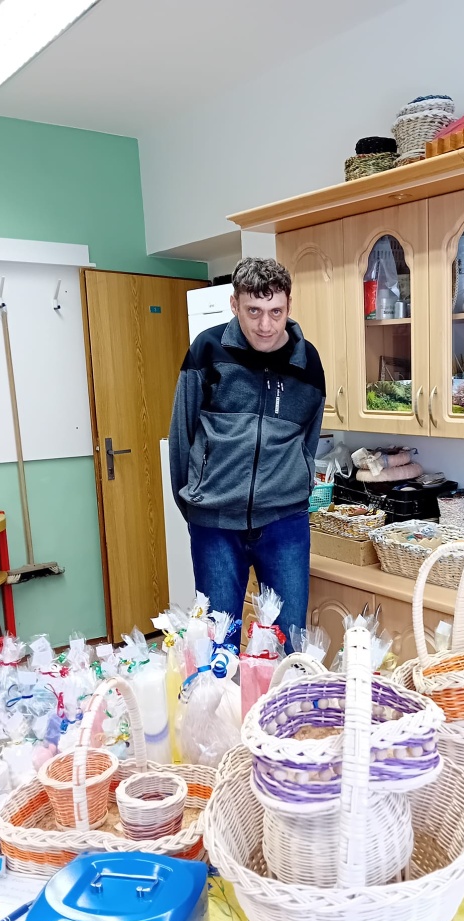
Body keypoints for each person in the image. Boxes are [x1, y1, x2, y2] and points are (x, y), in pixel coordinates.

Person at [169, 257, 325, 644]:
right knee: (217, 644)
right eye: (253, 311)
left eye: (276, 312)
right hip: (215, 524)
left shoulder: (307, 362)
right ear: (234, 304)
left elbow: (308, 441)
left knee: (290, 643)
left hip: (285, 523)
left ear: (289, 306)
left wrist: (295, 486)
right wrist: (196, 504)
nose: (265, 325)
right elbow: (181, 436)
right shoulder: (207, 350)